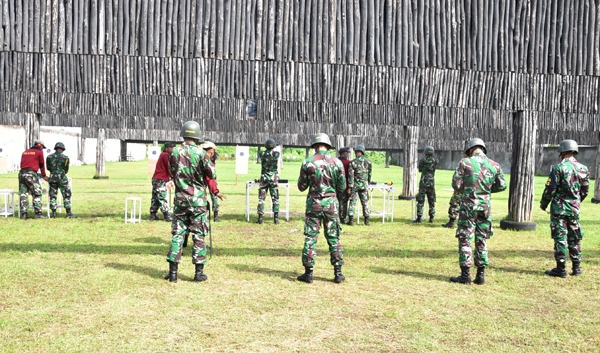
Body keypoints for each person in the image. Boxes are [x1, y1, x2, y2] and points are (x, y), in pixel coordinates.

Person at [164, 121, 216, 283]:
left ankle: (173, 273)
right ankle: (198, 273)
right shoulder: (201, 153)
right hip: (198, 201)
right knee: (199, 235)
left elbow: (173, 171)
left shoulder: (174, 152)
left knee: (178, 234)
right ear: (197, 135)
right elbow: (211, 173)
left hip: (180, 200)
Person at [450, 138, 506, 285]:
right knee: (482, 239)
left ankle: (465, 275)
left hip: (469, 207)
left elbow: (456, 185)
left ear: (470, 150)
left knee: (465, 238)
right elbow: (502, 185)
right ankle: (480, 275)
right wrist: (486, 191)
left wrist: (469, 189)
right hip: (485, 208)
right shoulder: (494, 165)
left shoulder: (465, 162)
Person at [297, 133, 346, 284]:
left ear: (314, 146)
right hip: (331, 204)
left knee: (311, 237)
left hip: (314, 204)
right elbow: (342, 186)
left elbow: (301, 187)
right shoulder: (337, 162)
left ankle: (308, 273)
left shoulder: (308, 162)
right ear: (328, 145)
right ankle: (338, 272)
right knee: (333, 237)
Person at [540, 139, 589, 278]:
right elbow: (585, 191)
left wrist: (544, 204)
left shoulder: (558, 168)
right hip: (574, 209)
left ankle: (561, 269)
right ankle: (577, 267)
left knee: (560, 237)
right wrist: (576, 202)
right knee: (575, 236)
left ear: (562, 151)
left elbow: (550, 189)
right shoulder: (583, 168)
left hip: (559, 209)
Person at [19, 140, 49, 219]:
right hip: (31, 174)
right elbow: (41, 164)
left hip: (21, 174)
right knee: (37, 192)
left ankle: (24, 214)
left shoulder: (25, 152)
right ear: (41, 146)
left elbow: (22, 163)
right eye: (43, 147)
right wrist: (44, 175)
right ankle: (38, 214)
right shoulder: (39, 152)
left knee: (23, 193)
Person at [46, 142, 77, 218]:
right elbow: (66, 170)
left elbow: (48, 168)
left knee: (53, 195)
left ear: (55, 149)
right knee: (66, 194)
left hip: (52, 177)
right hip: (62, 178)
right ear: (63, 149)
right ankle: (68, 213)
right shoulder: (66, 158)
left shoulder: (49, 157)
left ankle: (53, 213)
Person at [149, 142, 175, 221]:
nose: (173, 149)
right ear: (167, 148)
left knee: (155, 198)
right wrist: (173, 176)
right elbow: (169, 167)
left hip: (156, 178)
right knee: (162, 197)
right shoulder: (166, 155)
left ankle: (153, 214)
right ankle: (166, 215)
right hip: (161, 179)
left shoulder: (162, 154)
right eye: (171, 147)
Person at [257, 138, 280, 224]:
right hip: (273, 178)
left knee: (261, 199)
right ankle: (276, 219)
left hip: (264, 178)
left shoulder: (262, 153)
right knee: (275, 198)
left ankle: (260, 218)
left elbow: (262, 153)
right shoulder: (277, 154)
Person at [347, 144, 372, 226]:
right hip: (364, 185)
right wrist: (368, 182)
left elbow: (351, 176)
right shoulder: (368, 162)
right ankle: (366, 220)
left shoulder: (353, 162)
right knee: (365, 202)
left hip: (355, 186)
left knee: (353, 202)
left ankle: (351, 220)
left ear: (356, 152)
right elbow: (369, 174)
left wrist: (350, 187)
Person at [201, 140, 226, 222]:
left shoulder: (199, 155)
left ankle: (215, 215)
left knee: (212, 197)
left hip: (208, 178)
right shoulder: (205, 157)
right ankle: (209, 215)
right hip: (208, 177)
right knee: (207, 197)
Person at [414, 146, 438, 223]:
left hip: (424, 182)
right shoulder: (435, 161)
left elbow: (420, 170)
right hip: (431, 182)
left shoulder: (422, 160)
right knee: (431, 201)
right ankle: (431, 218)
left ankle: (419, 217)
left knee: (421, 200)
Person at [337, 147, 352, 224]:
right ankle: (342, 218)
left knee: (336, 201)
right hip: (344, 184)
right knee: (343, 202)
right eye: (347, 153)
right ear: (344, 154)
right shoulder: (348, 163)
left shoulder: (335, 161)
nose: (348, 154)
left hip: (335, 184)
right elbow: (350, 175)